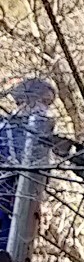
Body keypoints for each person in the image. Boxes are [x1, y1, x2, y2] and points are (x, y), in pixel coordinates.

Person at [0, 76, 56, 251]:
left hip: (23, 204)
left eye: (47, 104)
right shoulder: (5, 127)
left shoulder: (44, 136)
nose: (44, 109)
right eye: (43, 102)